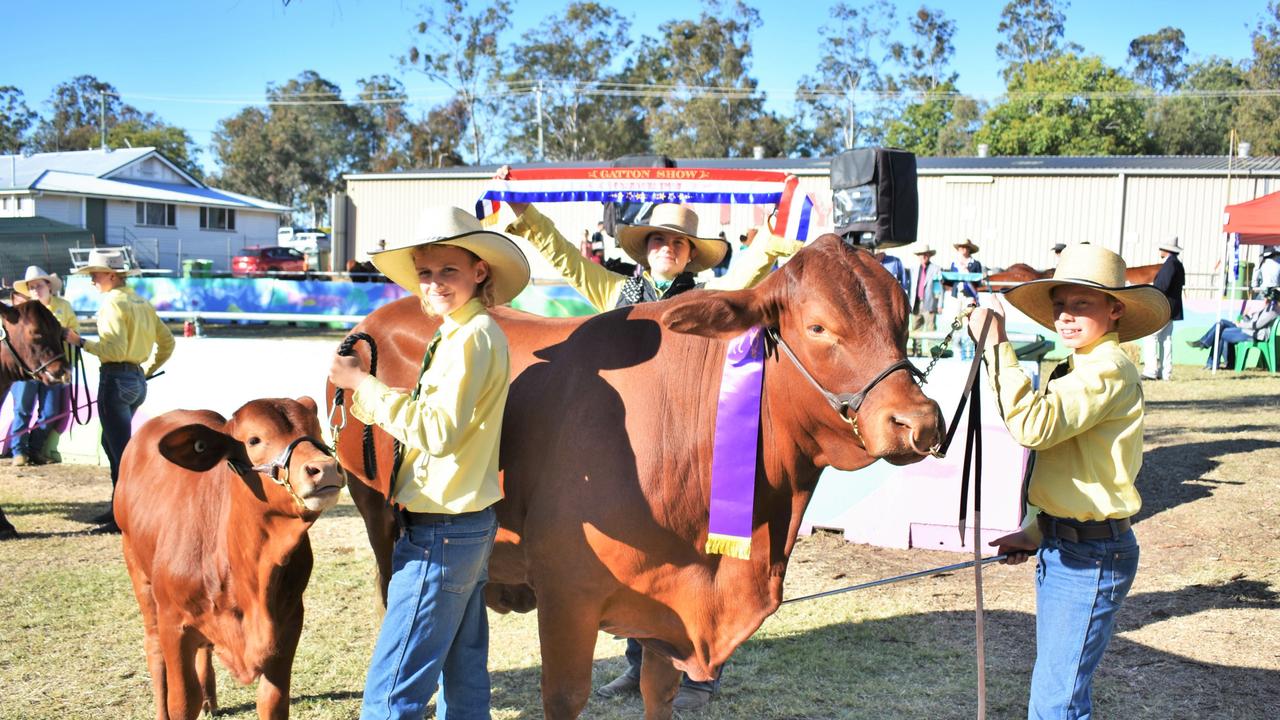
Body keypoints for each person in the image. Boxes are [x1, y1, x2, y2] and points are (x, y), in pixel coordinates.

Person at [497, 169, 802, 711]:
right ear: (646, 249)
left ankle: (695, 670)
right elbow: (569, 260)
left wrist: (776, 231)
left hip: (682, 441)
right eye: (658, 239)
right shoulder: (616, 291)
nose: (666, 247)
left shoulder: (707, 300)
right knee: (630, 555)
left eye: (677, 242)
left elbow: (753, 272)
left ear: (689, 255)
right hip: (628, 441)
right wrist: (528, 217)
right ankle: (636, 665)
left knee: (679, 551)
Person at [329, 206, 530, 720]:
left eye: (448, 271)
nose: (435, 283)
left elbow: (437, 433)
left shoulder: (469, 339)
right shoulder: (465, 332)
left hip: (442, 527)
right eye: (426, 272)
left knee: (394, 686)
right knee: (461, 669)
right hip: (463, 522)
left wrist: (363, 388)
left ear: (478, 271)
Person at [969, 243, 1170, 720]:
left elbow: (1033, 426)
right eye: (1060, 305)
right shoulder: (1081, 366)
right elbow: (1073, 467)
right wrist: (1038, 531)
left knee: (1056, 702)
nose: (1066, 316)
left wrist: (997, 345)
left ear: (1115, 309)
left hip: (1090, 556)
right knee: (1056, 690)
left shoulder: (1106, 369)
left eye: (1082, 304)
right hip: (1069, 548)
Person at [64, 249, 175, 534]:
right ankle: (118, 506)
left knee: (120, 452)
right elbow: (168, 342)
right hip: (136, 381)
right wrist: (146, 371)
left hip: (115, 379)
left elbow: (113, 350)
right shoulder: (140, 302)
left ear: (111, 275)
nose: (92, 281)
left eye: (95, 275)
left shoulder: (112, 304)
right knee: (112, 445)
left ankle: (124, 514)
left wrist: (81, 342)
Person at [7, 266, 77, 465]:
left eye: (39, 285)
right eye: (31, 287)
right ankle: (19, 451)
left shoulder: (64, 306)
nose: (35, 290)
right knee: (22, 409)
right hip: (27, 369)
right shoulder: (23, 311)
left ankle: (35, 448)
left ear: (49, 286)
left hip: (53, 367)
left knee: (51, 412)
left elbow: (74, 333)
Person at [1186, 286, 1279, 368]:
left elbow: (1256, 325)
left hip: (1253, 334)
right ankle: (1207, 347)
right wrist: (1244, 316)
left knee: (1220, 331)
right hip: (1247, 329)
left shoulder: (1272, 311)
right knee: (1221, 323)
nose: (1264, 300)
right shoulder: (1267, 309)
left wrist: (1240, 324)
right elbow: (1252, 320)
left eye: (1266, 298)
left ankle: (1211, 359)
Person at [1143, 237, 1185, 380]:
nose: (1160, 251)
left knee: (1151, 336)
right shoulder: (1178, 264)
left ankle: (1151, 370)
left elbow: (1162, 286)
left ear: (1166, 250)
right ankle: (1166, 372)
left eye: (1161, 248)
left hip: (1164, 307)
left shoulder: (1169, 265)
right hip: (1173, 309)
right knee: (1166, 339)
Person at [906, 244, 943, 335]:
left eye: (925, 254)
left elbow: (938, 288)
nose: (923, 256)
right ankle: (916, 350)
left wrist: (939, 304)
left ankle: (931, 349)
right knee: (915, 329)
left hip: (930, 303)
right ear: (918, 256)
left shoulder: (936, 269)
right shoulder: (913, 269)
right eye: (921, 254)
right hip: (916, 303)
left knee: (931, 329)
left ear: (929, 255)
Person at [945, 239, 983, 306]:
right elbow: (951, 282)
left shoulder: (976, 264)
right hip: (956, 295)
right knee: (955, 315)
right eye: (960, 246)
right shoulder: (954, 264)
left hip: (970, 295)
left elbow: (979, 283)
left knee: (968, 315)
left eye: (965, 246)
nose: (962, 248)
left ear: (969, 249)